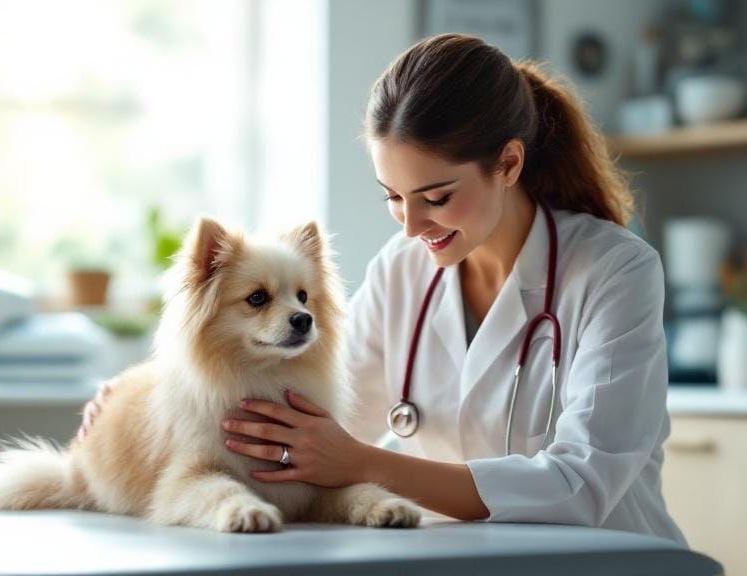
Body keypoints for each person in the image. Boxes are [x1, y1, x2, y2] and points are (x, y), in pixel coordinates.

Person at [77, 33, 687, 547]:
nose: (412, 227)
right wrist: (148, 401)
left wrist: (366, 463)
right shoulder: (405, 268)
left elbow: (581, 485)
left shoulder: (615, 271)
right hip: (462, 556)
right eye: (393, 198)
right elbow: (314, 414)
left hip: (609, 557)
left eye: (437, 198)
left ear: (507, 164)